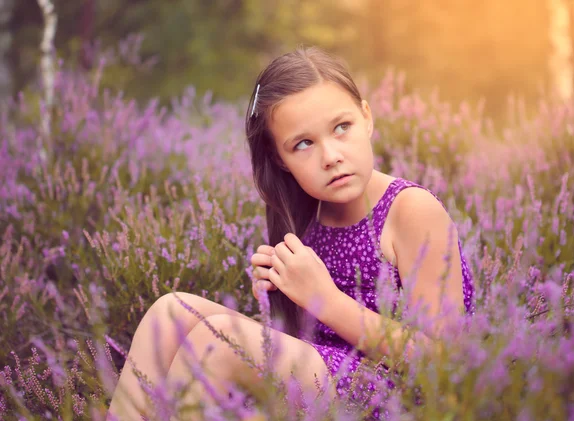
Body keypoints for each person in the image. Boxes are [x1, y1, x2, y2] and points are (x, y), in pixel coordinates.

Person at [107, 45, 475, 420]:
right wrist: (282, 301)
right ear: (281, 159)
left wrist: (323, 299)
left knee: (218, 339)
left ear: (366, 117)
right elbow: (313, 341)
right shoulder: (306, 213)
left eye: (341, 127)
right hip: (326, 378)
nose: (330, 155)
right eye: (303, 143)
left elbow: (446, 363)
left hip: (394, 396)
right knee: (172, 311)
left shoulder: (410, 209)